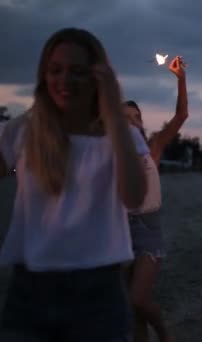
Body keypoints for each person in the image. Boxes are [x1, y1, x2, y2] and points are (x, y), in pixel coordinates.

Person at [0, 27, 148, 341]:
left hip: (99, 292)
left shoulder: (121, 134)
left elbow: (134, 197)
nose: (64, 81)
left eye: (78, 72)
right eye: (55, 70)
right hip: (30, 290)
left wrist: (113, 113)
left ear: (99, 78)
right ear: (44, 75)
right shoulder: (23, 130)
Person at [122, 56, 188, 342]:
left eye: (137, 117)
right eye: (125, 119)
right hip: (119, 231)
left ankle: (163, 332)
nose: (133, 122)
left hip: (148, 230)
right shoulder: (108, 153)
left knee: (137, 300)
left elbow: (181, 116)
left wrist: (181, 79)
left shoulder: (153, 147)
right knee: (129, 308)